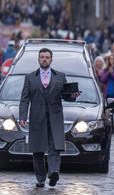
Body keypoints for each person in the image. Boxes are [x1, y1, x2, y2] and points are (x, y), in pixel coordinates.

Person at [19, 48, 79, 188]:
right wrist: (23, 116)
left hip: (55, 116)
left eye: (47, 57)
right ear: (38, 59)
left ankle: (53, 172)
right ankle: (40, 178)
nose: (44, 59)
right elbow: (24, 99)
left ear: (51, 60)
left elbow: (66, 96)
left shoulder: (60, 76)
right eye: (42, 57)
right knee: (38, 149)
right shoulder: (29, 77)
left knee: (55, 146)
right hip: (37, 117)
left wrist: (73, 96)